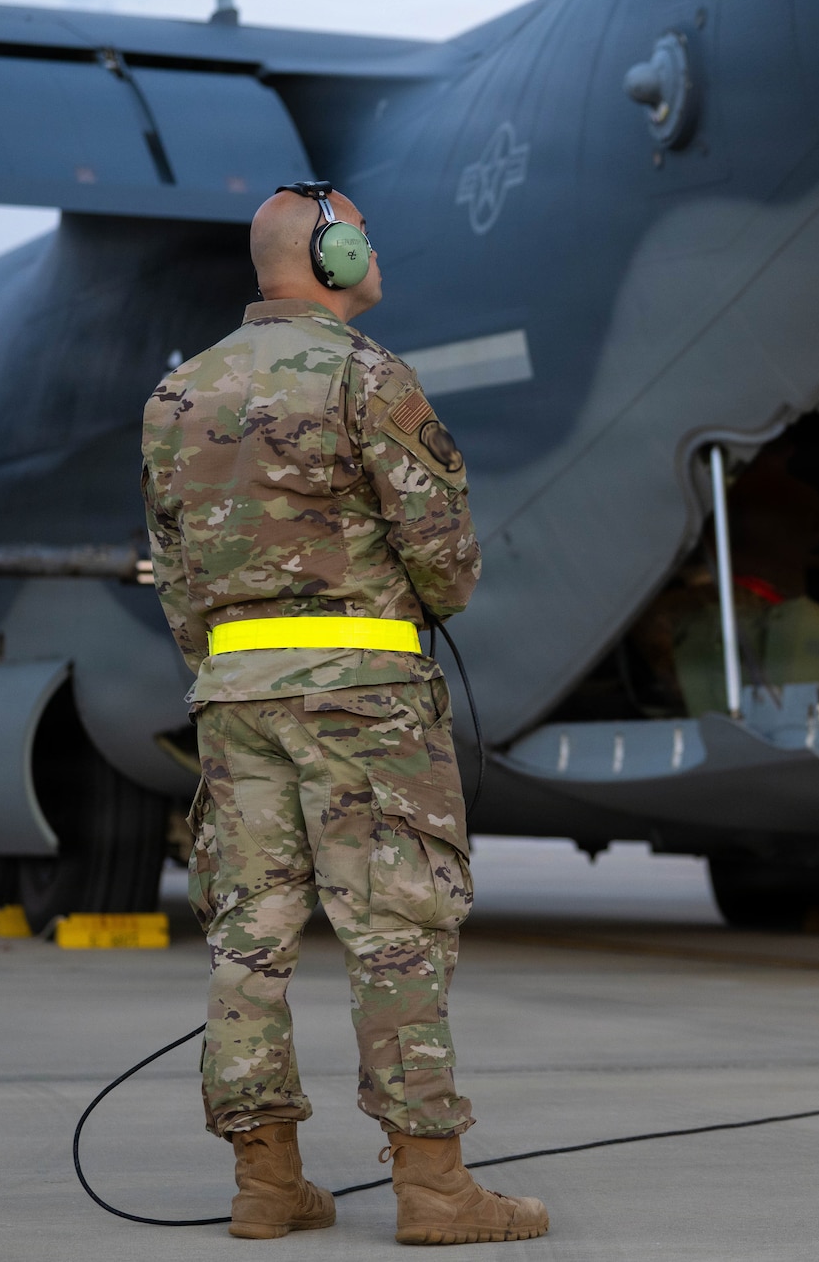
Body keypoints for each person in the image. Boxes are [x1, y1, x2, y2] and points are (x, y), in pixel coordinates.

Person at [140, 181, 548, 1245]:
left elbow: (180, 583)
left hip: (234, 699)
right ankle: (433, 1189)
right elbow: (445, 568)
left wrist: (238, 662)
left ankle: (266, 1184)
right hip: (363, 701)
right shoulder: (368, 379)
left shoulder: (177, 393)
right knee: (396, 933)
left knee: (251, 938)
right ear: (334, 252)